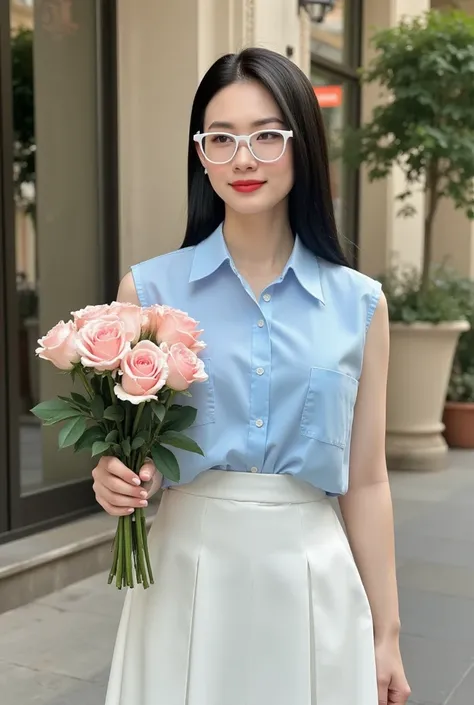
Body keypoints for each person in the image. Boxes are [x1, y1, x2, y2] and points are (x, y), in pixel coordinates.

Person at [93, 47, 411, 705]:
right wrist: (116, 478)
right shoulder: (148, 289)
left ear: (304, 144)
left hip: (312, 577)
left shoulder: (360, 303)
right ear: (200, 153)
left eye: (267, 135)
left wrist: (388, 632)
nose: (244, 157)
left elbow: (370, 478)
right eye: (222, 137)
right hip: (186, 575)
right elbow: (134, 450)